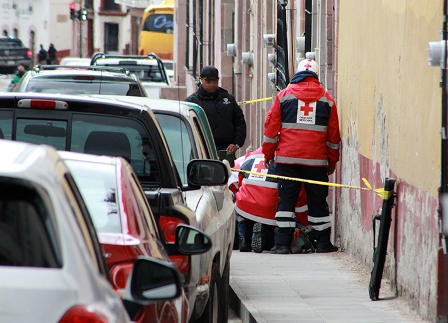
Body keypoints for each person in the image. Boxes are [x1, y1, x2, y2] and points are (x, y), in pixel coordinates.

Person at [262, 59, 341, 254]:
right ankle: (321, 242)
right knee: (318, 202)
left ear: (297, 73)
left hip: (287, 160)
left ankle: (281, 244)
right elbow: (333, 136)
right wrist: (332, 161)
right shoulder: (327, 99)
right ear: (316, 75)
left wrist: (268, 154)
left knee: (286, 202)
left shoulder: (283, 96)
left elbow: (271, 130)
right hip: (316, 161)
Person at [231, 147, 311, 253]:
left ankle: (245, 239)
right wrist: (305, 223)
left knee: (239, 206)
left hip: (246, 206)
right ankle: (267, 239)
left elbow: (239, 181)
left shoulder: (250, 156)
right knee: (288, 222)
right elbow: (299, 198)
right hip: (272, 211)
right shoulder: (287, 159)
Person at [185, 66, 246, 166]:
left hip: (226, 151)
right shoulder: (192, 102)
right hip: (202, 152)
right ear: (201, 79)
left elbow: (239, 121)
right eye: (208, 81)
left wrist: (236, 143)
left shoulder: (228, 98)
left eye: (215, 81)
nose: (212, 85)